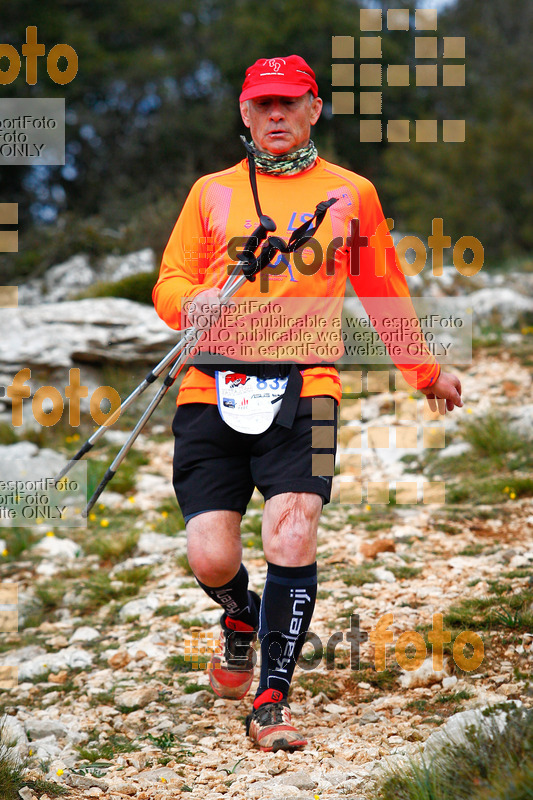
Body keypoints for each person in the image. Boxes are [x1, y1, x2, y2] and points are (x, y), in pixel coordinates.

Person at [153, 55, 463, 752]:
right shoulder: (210, 193)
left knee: (292, 532)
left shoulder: (351, 193)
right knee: (209, 556)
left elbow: (382, 289)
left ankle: (270, 699)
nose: (276, 115)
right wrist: (187, 302)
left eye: (289, 102)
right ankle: (240, 617)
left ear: (314, 108)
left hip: (308, 384)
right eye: (262, 104)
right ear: (243, 112)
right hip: (210, 386)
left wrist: (422, 370)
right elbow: (170, 282)